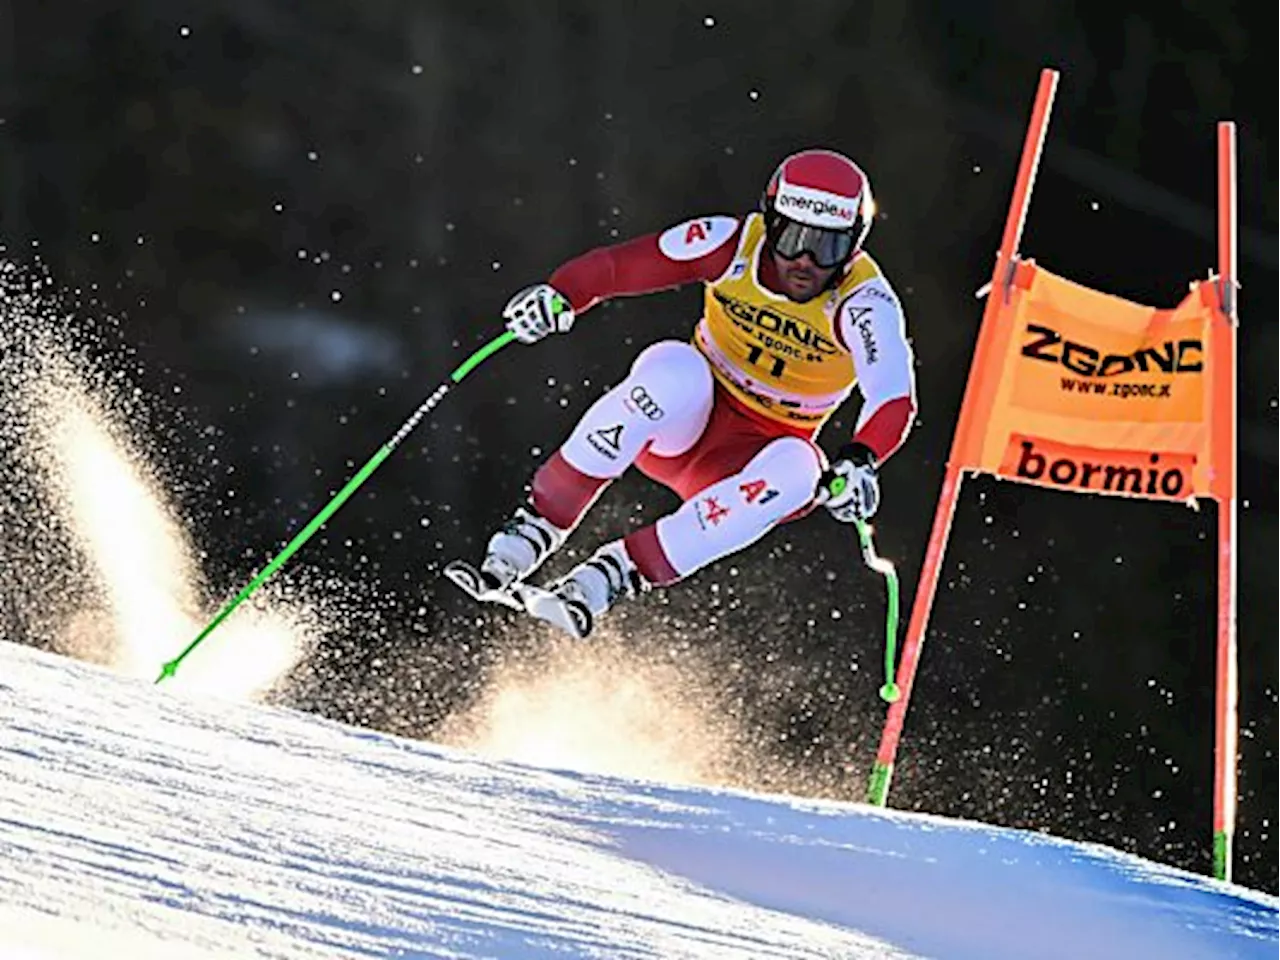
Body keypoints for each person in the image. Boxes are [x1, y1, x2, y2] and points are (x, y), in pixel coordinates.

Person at [445, 148, 917, 638]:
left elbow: (893, 396)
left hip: (743, 466)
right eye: (794, 239)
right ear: (770, 223)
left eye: (829, 249)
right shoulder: (730, 244)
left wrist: (860, 458)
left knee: (804, 469)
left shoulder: (866, 302)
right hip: (684, 423)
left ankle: (615, 573)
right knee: (676, 368)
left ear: (855, 246)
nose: (805, 262)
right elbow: (617, 267)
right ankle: (537, 527)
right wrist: (560, 295)